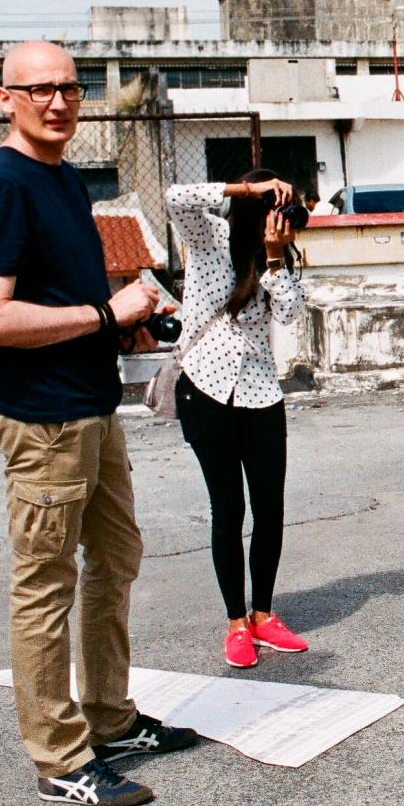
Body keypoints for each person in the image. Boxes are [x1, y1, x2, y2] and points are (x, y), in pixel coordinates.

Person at [0, 40, 197, 806]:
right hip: (44, 422)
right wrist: (101, 312)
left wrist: (122, 322)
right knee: (45, 587)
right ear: (5, 98)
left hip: (91, 408)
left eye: (69, 87)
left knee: (116, 560)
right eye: (39, 90)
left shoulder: (62, 176)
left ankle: (109, 717)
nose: (58, 102)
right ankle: (60, 757)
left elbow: (56, 296)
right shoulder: (0, 185)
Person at [164, 173, 308, 668]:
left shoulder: (278, 256)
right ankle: (235, 623)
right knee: (228, 509)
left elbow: (290, 313)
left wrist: (273, 257)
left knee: (269, 508)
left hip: (262, 391)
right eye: (271, 205)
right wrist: (246, 189)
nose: (278, 215)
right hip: (205, 388)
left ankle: (264, 615)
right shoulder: (209, 238)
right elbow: (175, 196)